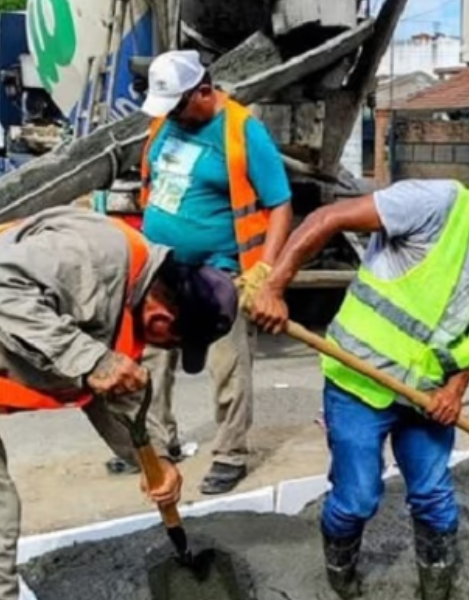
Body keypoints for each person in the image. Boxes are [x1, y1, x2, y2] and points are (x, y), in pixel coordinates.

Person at [245, 154, 469, 600]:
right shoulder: (435, 204)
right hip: (359, 384)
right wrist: (274, 287)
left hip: (425, 397)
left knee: (435, 499)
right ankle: (342, 579)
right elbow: (328, 218)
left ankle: (437, 590)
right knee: (357, 499)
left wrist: (455, 390)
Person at [0, 206, 239, 600]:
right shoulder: (97, 257)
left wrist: (155, 459)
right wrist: (89, 359)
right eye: (175, 344)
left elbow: (112, 395)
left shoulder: (129, 297)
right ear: (162, 318)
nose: (166, 350)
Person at [104, 49, 294, 495]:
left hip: (220, 272)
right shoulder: (166, 122)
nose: (170, 116)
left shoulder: (242, 130)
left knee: (228, 364)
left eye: (177, 107)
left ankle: (230, 453)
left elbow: (280, 204)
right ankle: (155, 444)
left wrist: (265, 275)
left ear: (203, 91)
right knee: (152, 357)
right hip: (160, 266)